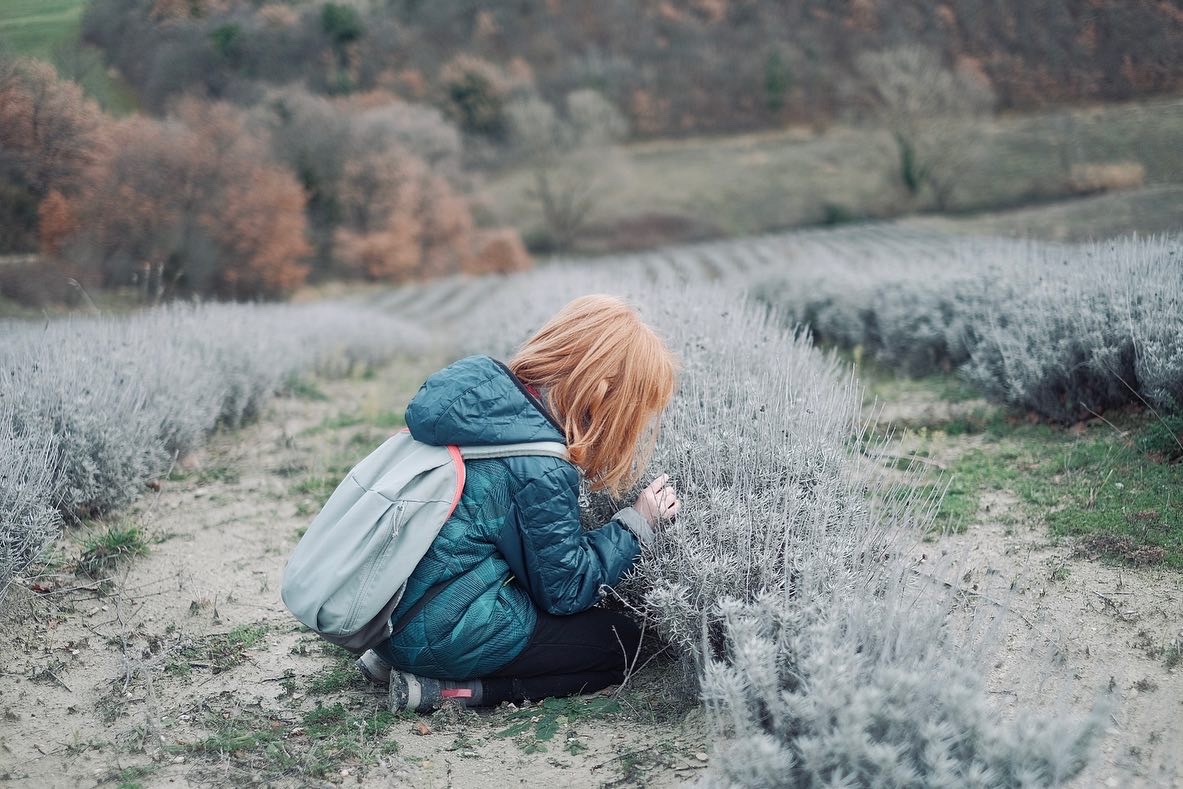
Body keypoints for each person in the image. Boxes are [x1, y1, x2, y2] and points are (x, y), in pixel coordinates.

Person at [356, 294, 680, 712]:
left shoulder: (491, 406)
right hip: (440, 630)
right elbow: (565, 590)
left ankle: (393, 657)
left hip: (385, 610)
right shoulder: (539, 463)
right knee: (621, 642)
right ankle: (453, 689)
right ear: (602, 391)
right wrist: (638, 521)